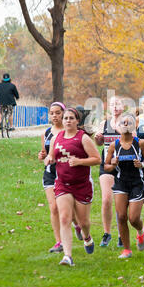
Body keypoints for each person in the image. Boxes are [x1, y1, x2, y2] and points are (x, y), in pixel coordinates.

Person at [47, 108, 101, 266]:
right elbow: (52, 155)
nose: (68, 121)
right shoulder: (57, 137)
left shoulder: (83, 138)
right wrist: (49, 159)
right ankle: (67, 256)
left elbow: (97, 159)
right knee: (64, 217)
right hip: (62, 183)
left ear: (77, 121)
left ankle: (87, 236)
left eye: (71, 118)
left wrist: (79, 162)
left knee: (83, 222)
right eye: (65, 118)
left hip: (82, 185)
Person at [104, 113, 144, 259]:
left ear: (134, 126)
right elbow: (106, 167)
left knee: (133, 218)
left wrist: (142, 164)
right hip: (120, 183)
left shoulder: (140, 143)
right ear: (118, 126)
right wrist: (112, 163)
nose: (125, 125)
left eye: (129, 122)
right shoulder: (114, 145)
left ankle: (140, 231)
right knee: (122, 216)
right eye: (123, 123)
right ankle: (126, 250)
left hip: (137, 183)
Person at [38, 102, 83, 253]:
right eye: (52, 113)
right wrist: (42, 156)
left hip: (66, 173)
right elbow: (45, 154)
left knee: (68, 209)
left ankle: (77, 224)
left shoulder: (69, 130)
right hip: (50, 173)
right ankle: (59, 242)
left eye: (58, 113)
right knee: (54, 207)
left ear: (63, 114)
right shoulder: (47, 133)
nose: (55, 116)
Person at [94, 96, 124, 248]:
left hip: (124, 166)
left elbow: (135, 140)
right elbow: (99, 142)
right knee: (106, 199)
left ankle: (121, 234)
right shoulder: (104, 123)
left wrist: (121, 131)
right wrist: (98, 138)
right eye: (112, 104)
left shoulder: (128, 122)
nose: (114, 106)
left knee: (120, 202)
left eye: (117, 103)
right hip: (106, 164)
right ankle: (107, 234)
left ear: (123, 106)